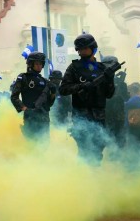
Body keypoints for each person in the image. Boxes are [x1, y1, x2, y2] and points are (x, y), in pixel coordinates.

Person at [59, 34, 117, 165]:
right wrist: (81, 86)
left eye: (84, 49)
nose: (81, 52)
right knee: (84, 151)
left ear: (92, 48)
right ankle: (84, 180)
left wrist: (110, 80)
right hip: (81, 117)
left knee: (97, 151)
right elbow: (63, 89)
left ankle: (94, 179)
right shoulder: (74, 68)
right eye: (79, 49)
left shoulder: (103, 68)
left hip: (99, 116)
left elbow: (109, 94)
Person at [10, 51, 56, 143]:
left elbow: (49, 104)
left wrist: (53, 93)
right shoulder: (23, 78)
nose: (39, 66)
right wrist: (24, 108)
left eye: (41, 64)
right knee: (31, 143)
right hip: (31, 116)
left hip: (44, 117)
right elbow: (14, 97)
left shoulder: (45, 81)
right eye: (37, 63)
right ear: (31, 64)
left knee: (44, 144)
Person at [102, 56, 128, 148]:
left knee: (120, 146)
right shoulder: (100, 81)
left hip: (119, 121)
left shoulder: (120, 82)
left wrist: (121, 84)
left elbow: (126, 98)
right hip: (106, 120)